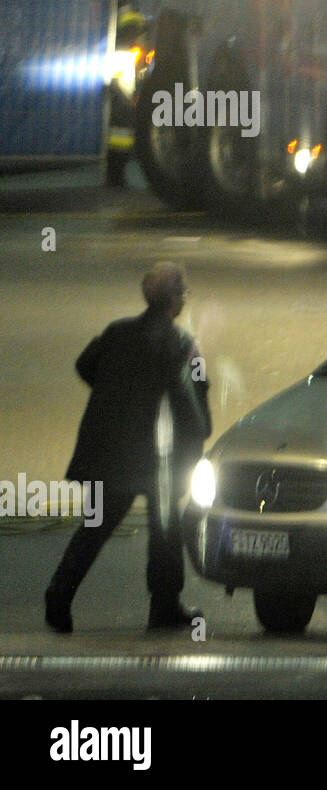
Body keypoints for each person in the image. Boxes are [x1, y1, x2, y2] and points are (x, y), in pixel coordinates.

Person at [45, 262, 211, 633]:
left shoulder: (117, 332)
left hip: (108, 450)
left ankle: (59, 594)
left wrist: (113, 391)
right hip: (157, 456)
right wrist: (200, 434)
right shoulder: (183, 344)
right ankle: (164, 606)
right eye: (183, 292)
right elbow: (195, 394)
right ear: (174, 300)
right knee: (166, 530)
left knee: (95, 526)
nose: (185, 298)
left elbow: (85, 364)